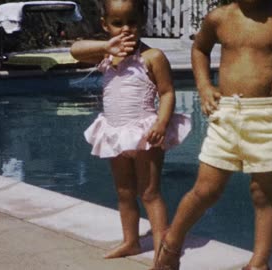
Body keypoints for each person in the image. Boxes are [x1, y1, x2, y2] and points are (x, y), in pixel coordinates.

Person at [153, 0, 272, 270]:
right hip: (226, 114)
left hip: (266, 115)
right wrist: (203, 85)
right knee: (206, 190)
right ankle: (171, 245)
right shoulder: (220, 17)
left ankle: (258, 264)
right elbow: (200, 48)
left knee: (264, 194)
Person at [70, 0, 191, 263]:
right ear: (105, 25)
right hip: (114, 133)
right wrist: (106, 46)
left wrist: (161, 123)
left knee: (149, 192)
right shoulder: (105, 54)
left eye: (132, 22)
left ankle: (163, 254)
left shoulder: (152, 56)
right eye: (117, 23)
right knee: (124, 191)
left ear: (141, 22)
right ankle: (131, 242)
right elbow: (74, 51)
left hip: (145, 134)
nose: (126, 29)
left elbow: (168, 92)